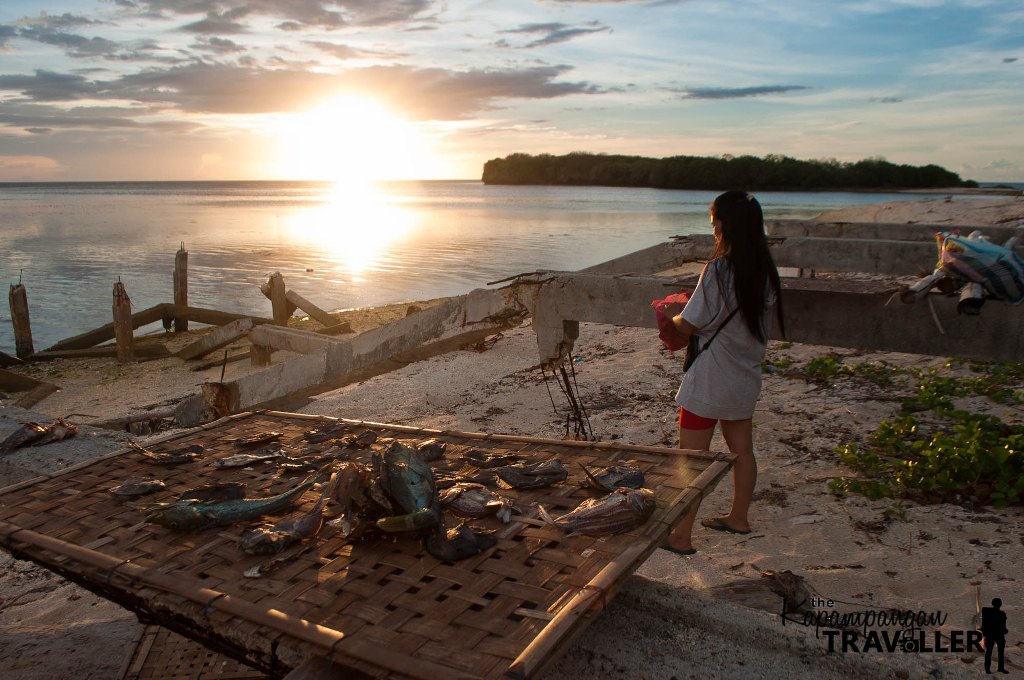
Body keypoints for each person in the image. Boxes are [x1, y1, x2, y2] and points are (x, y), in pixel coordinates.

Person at [662, 190, 784, 555]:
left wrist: (672, 315)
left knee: (692, 459)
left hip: (710, 379)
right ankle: (738, 518)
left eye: (714, 219)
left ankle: (681, 536)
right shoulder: (765, 272)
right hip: (744, 376)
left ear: (725, 224)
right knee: (742, 453)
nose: (712, 227)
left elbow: (692, 323)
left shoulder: (718, 269)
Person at [981, 597, 1009, 674]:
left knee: (989, 652)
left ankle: (988, 669)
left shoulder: (987, 612)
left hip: (991, 635)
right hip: (998, 635)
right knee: (1000, 652)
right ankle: (1000, 668)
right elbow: (1003, 625)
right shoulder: (1002, 614)